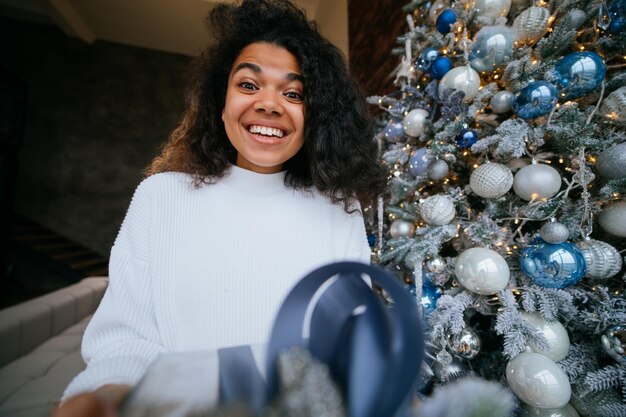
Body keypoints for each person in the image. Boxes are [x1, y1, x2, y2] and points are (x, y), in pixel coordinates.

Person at [53, 0, 385, 415]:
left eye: (294, 92)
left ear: (315, 115)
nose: (269, 103)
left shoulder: (339, 209)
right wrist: (106, 394)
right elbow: (126, 338)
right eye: (248, 85)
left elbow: (347, 339)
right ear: (220, 102)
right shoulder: (161, 197)